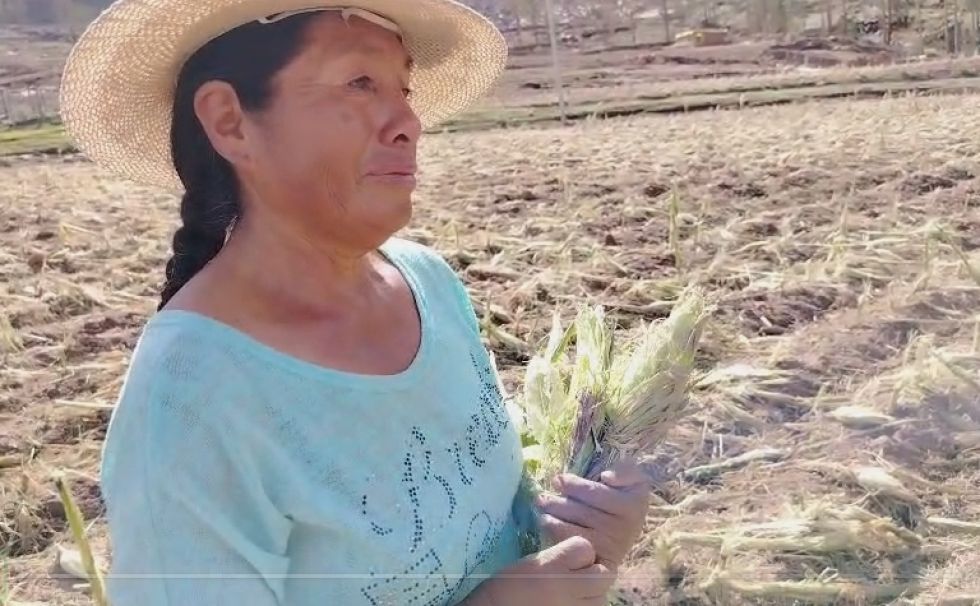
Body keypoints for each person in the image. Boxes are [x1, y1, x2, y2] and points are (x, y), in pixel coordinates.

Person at [59, 2, 653, 605]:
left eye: (404, 86)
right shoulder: (192, 404)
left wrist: (581, 533)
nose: (409, 123)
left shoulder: (428, 283)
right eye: (360, 82)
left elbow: (490, 521)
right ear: (230, 120)